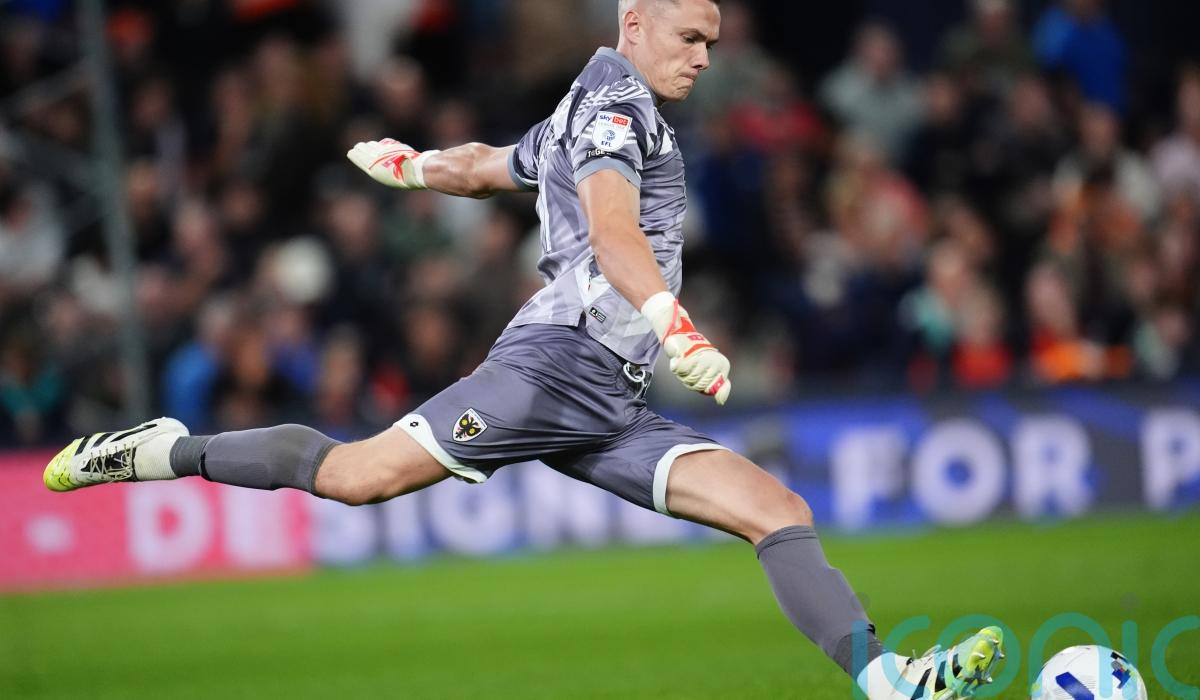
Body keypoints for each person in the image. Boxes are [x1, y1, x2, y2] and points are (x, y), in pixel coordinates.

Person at [43, 1, 1003, 697]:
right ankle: (165, 448)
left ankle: (887, 681)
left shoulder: (588, 107)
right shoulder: (619, 110)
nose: (705, 57)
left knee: (774, 510)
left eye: (711, 41)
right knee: (354, 477)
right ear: (635, 24)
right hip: (552, 371)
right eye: (690, 37)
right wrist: (676, 324)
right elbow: (614, 233)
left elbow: (489, 166)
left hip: (610, 399)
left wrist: (414, 166)